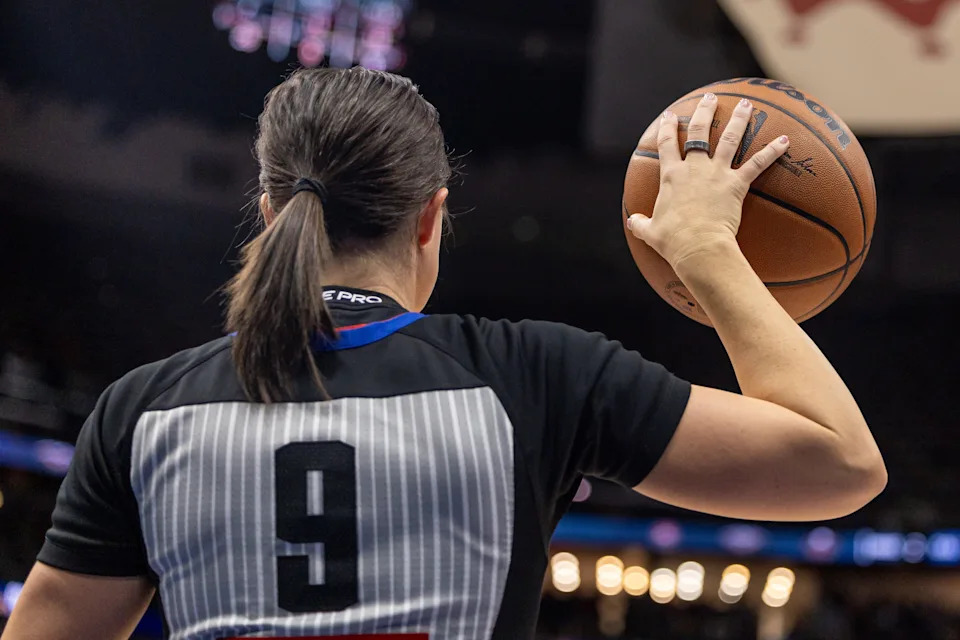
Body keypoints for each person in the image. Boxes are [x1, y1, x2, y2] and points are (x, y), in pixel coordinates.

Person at [1, 68, 886, 640]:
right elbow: (841, 464)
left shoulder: (144, 410)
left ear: (271, 216)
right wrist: (707, 254)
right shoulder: (531, 378)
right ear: (432, 217)